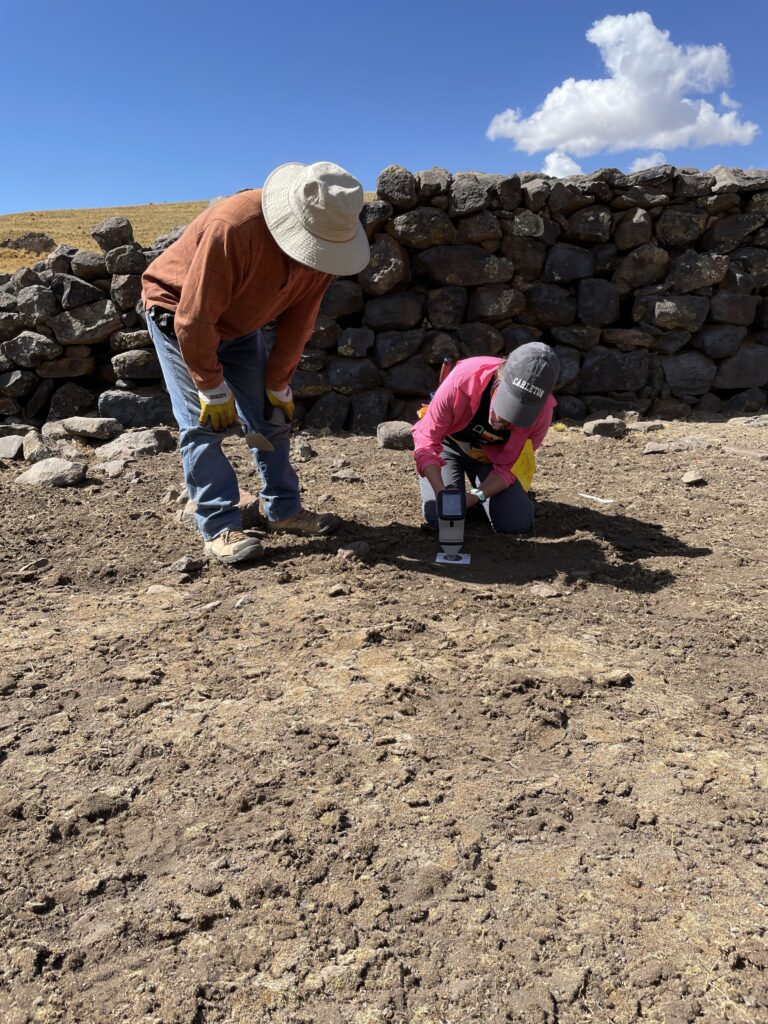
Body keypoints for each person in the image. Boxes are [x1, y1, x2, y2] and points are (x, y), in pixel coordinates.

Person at [142, 161, 370, 564]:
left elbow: (299, 322)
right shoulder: (234, 227)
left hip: (241, 322)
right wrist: (211, 387)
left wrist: (279, 383)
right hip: (179, 311)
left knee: (271, 415)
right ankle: (219, 526)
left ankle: (282, 510)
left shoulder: (325, 247)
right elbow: (194, 319)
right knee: (202, 421)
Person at [412, 342, 560, 534]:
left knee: (515, 524)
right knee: (440, 516)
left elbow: (509, 467)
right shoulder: (463, 380)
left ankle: (478, 504)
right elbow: (427, 440)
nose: (503, 421)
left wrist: (474, 497)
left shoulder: (543, 413)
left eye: (520, 413)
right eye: (508, 403)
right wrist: (441, 492)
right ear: (499, 377)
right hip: (449, 447)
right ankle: (464, 503)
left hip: (492, 459)